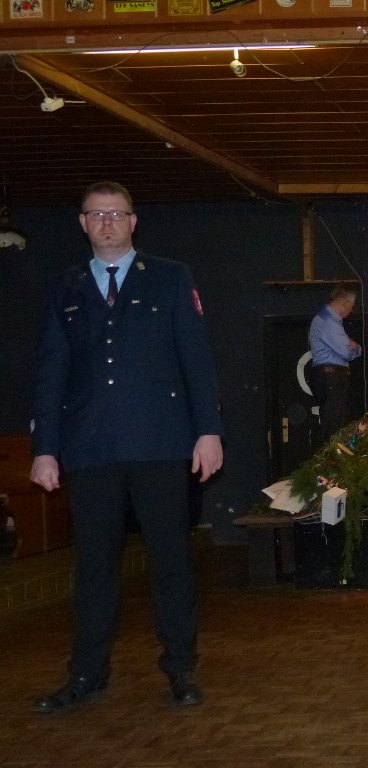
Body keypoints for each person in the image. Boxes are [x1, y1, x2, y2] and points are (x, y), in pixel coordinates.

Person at [29, 181, 224, 712]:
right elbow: (51, 373)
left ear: (134, 222)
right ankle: (87, 674)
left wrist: (207, 431)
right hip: (89, 449)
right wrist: (45, 448)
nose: (107, 222)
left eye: (116, 214)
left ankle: (180, 668)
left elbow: (196, 360)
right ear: (83, 223)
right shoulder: (64, 288)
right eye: (96, 215)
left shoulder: (169, 278)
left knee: (171, 563)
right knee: (93, 568)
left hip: (161, 444)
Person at [308, 284, 362, 439]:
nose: (351, 310)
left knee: (334, 421)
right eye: (350, 306)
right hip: (331, 377)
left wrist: (353, 346)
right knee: (335, 424)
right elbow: (346, 351)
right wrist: (355, 348)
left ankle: (332, 458)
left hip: (328, 377)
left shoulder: (327, 320)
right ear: (344, 302)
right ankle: (332, 460)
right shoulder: (328, 322)